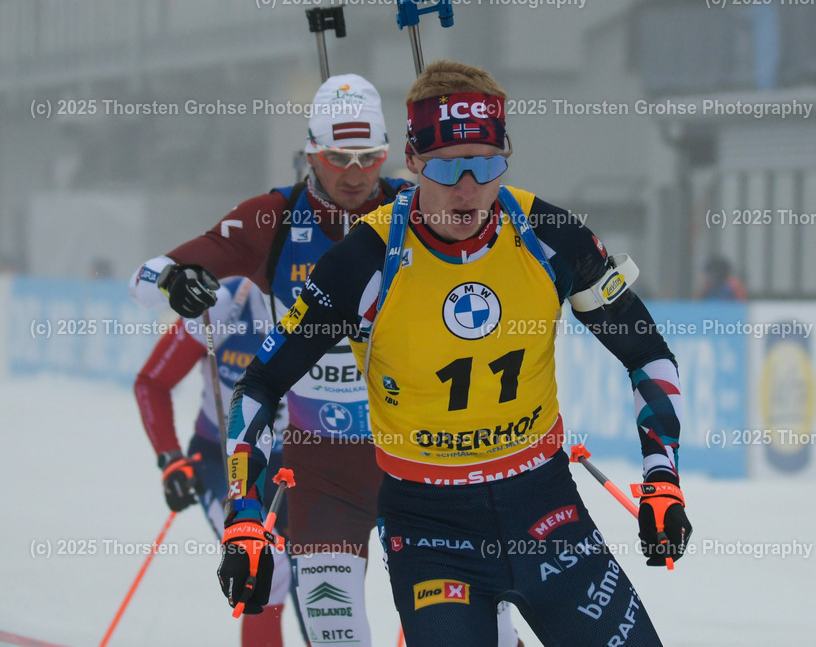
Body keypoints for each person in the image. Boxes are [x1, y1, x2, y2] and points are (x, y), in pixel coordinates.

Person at [219, 59, 692, 645]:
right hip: (429, 528)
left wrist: (661, 476)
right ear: (413, 162)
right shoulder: (365, 261)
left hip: (544, 509)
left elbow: (647, 352)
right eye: (447, 167)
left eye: (486, 163)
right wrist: (244, 516)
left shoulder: (549, 236)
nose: (468, 188)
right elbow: (260, 385)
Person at [130, 73, 523, 646]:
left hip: (420, 456)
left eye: (370, 156)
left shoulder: (418, 205)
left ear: (392, 154)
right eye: (339, 156)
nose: (356, 172)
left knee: (475, 632)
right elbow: (147, 278)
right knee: (336, 633)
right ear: (311, 153)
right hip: (322, 466)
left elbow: (503, 253)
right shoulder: (274, 218)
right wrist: (174, 279)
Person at [134, 277, 293, 647]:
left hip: (302, 461)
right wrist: (171, 458)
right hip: (227, 462)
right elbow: (151, 383)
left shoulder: (335, 296)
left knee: (319, 577)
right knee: (266, 568)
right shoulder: (223, 303)